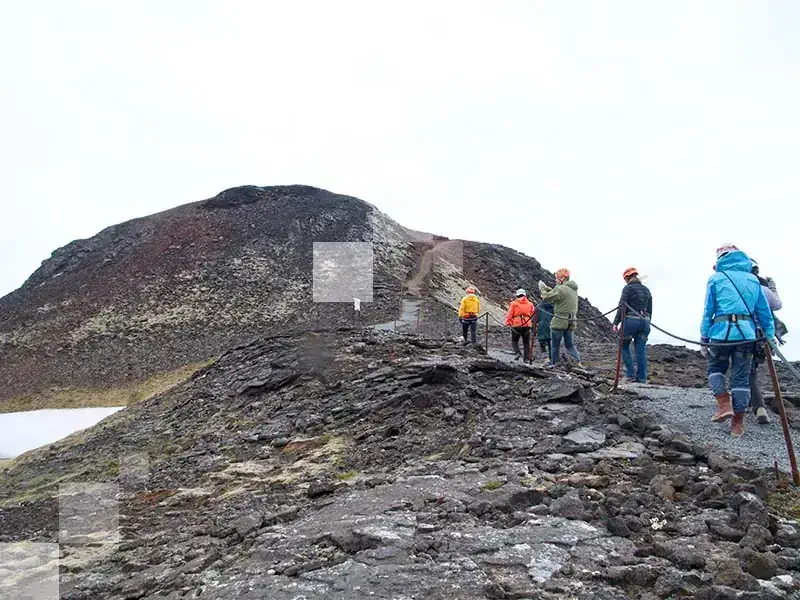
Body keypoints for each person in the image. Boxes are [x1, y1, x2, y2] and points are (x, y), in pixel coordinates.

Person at [700, 244, 775, 437]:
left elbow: (709, 311)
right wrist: (769, 335)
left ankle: (724, 404)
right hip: (746, 336)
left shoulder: (716, 279)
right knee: (741, 379)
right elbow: (764, 313)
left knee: (715, 369)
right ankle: (738, 424)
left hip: (720, 334)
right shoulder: (753, 280)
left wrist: (704, 337)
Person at [749, 259, 782, 424]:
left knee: (748, 372)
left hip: (743, 334)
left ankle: (758, 406)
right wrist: (772, 288)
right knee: (752, 369)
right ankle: (753, 401)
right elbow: (777, 305)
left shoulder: (740, 287)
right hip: (762, 337)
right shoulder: (764, 289)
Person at [612, 267, 652, 384]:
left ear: (627, 278)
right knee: (640, 349)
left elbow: (622, 306)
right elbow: (650, 309)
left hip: (630, 320)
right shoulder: (646, 290)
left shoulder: (628, 289)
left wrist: (615, 323)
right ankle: (642, 378)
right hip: (645, 321)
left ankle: (630, 374)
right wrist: (648, 323)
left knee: (623, 346)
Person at [539, 268, 582, 367]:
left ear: (562, 278)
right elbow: (558, 295)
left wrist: (542, 288)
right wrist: (549, 288)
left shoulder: (560, 289)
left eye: (557, 277)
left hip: (559, 320)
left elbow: (547, 297)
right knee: (570, 345)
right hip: (571, 321)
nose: (556, 280)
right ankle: (578, 362)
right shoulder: (572, 289)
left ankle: (554, 364)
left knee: (555, 346)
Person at [505, 289, 534, 361]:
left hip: (516, 325)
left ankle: (517, 352)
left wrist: (508, 322)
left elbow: (510, 314)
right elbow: (533, 313)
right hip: (527, 325)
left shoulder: (514, 303)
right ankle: (526, 359)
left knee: (514, 341)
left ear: (517, 295)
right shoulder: (530, 304)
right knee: (526, 343)